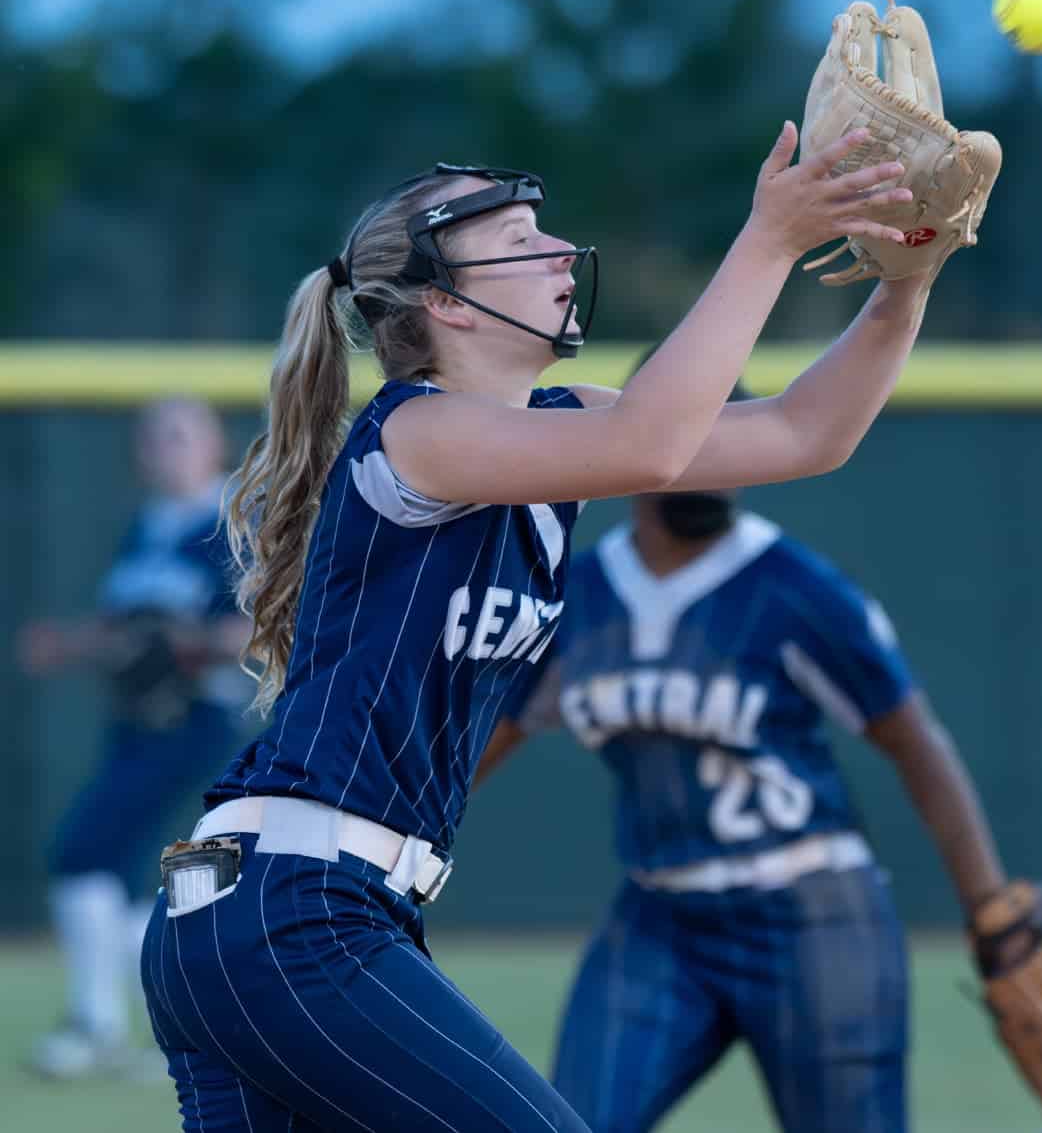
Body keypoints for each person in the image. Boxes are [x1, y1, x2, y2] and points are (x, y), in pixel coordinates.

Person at [139, 123, 950, 1133]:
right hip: (295, 915)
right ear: (441, 301)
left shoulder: (554, 423)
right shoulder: (419, 430)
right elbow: (649, 443)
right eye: (520, 238)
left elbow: (802, 432)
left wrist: (904, 286)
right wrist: (769, 237)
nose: (560, 250)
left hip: (264, 915)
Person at [474, 413, 1009, 1133]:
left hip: (813, 915)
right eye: (696, 437)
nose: (715, 463)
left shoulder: (796, 589)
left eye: (731, 443)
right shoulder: (582, 592)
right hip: (659, 915)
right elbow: (476, 745)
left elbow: (917, 745)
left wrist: (989, 908)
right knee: (566, 1120)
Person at [17, 397, 251, 1079]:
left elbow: (256, 629)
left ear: (214, 446)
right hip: (137, 723)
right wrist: (72, 645)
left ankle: (101, 1024)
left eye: (181, 433)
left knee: (84, 854)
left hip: (201, 719)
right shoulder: (147, 528)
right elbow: (130, 631)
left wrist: (186, 643)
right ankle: (170, 1029)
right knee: (114, 876)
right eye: (152, 436)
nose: (164, 446)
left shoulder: (231, 523)